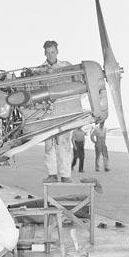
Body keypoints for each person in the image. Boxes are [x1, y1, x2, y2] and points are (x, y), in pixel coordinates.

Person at [36, 40, 74, 183]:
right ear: (45, 53)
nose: (50, 55)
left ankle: (65, 175)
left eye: (53, 52)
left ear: (57, 51)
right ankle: (52, 173)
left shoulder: (67, 66)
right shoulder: (39, 70)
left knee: (64, 143)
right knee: (49, 144)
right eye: (48, 52)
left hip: (64, 109)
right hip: (48, 111)